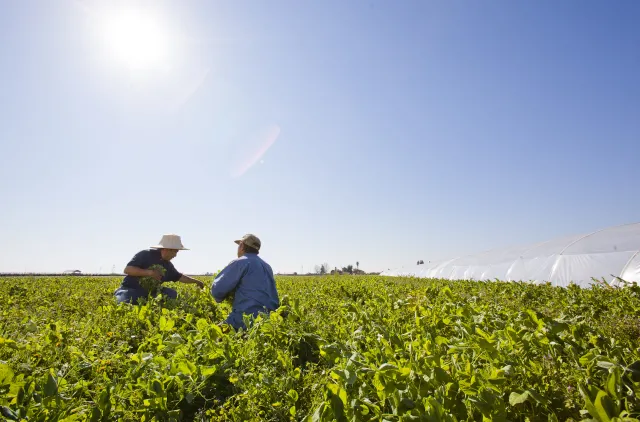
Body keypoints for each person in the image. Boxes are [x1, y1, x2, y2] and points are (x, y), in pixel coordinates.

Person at [211, 234, 280, 330]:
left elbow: (217, 290)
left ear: (242, 246)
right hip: (268, 321)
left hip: (243, 319)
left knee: (211, 335)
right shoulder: (267, 266)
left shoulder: (241, 262)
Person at [114, 234, 204, 304]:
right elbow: (128, 269)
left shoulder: (168, 265)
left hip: (152, 292)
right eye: (175, 251)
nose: (176, 255)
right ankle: (120, 292)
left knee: (172, 294)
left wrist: (196, 281)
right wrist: (150, 273)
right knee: (124, 300)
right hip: (132, 288)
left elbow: (179, 277)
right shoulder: (145, 255)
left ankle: (146, 300)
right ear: (167, 249)